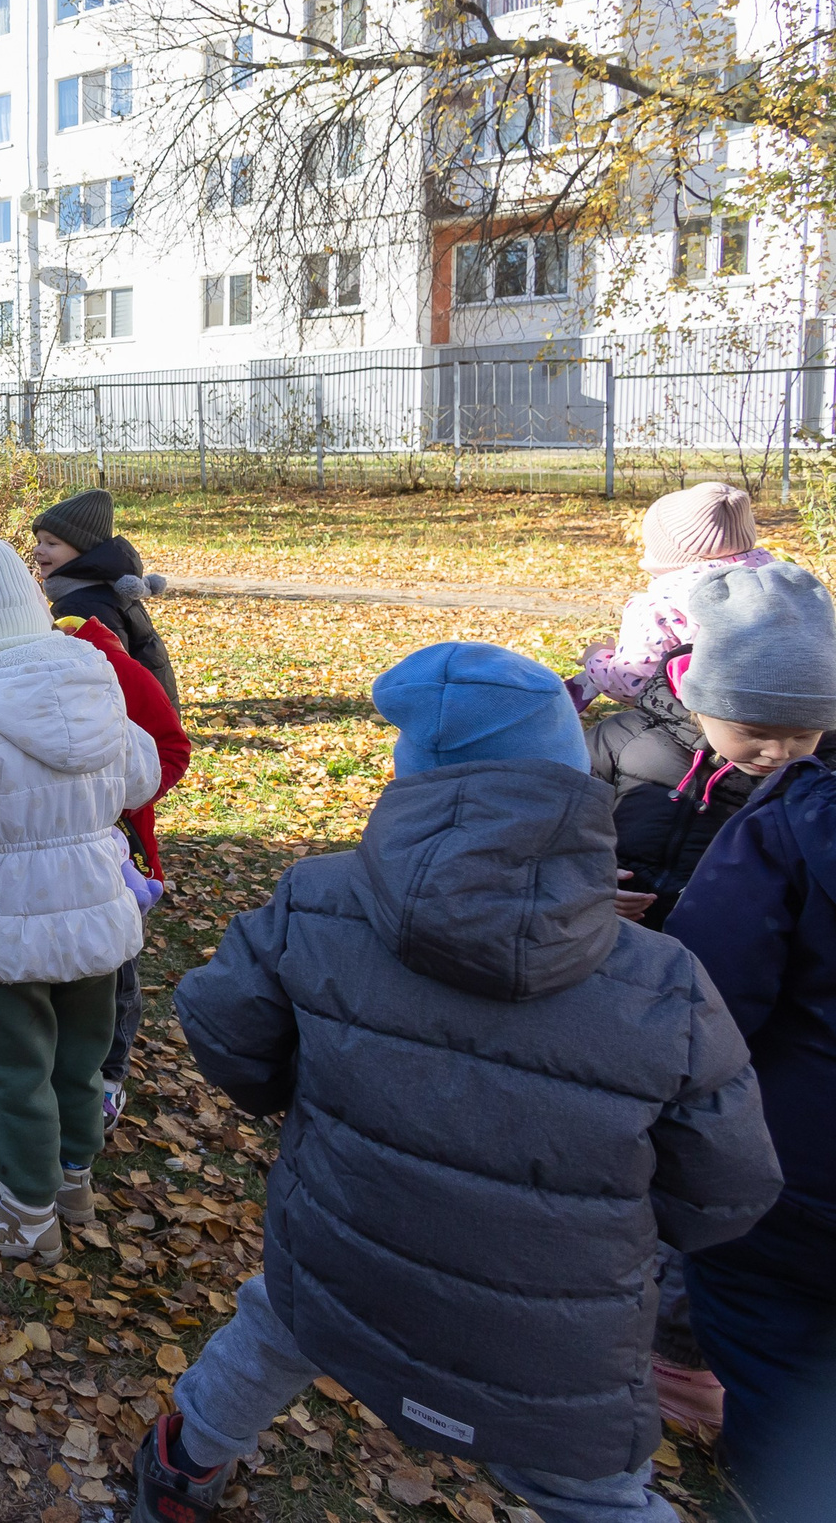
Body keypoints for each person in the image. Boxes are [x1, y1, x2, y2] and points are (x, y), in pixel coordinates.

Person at [137, 641, 782, 1523]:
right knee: (592, 1494)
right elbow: (727, 1190)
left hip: (342, 1248)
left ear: (413, 772)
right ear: (564, 769)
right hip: (555, 1333)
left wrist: (325, 1088)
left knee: (272, 1331)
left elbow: (223, 1026)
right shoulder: (663, 984)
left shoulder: (316, 902)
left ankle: (184, 1468)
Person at [0, 531, 159, 1260]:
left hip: (8, 935)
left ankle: (24, 1213)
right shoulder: (98, 679)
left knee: (16, 1071)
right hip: (99, 918)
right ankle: (72, 1178)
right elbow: (139, 780)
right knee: (80, 1060)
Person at [655, 565, 836, 1522]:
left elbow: (713, 994)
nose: (771, 753)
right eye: (751, 730)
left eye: (795, 734)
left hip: (787, 1170)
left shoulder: (782, 830)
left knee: (765, 1352)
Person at [592, 564, 836, 934]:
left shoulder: (822, 784)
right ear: (700, 706)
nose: (778, 753)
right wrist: (584, 880)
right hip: (612, 947)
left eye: (804, 736)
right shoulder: (622, 742)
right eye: (753, 732)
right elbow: (551, 826)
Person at [52, 613, 190, 1133]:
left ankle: (108, 1079)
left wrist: (120, 801)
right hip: (62, 853)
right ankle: (62, 1067)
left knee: (118, 972)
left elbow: (172, 747)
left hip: (119, 855)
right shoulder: (21, 669)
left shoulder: (115, 667)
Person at [577, 482, 774, 707]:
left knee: (603, 740)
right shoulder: (785, 583)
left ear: (664, 551)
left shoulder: (662, 604)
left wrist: (596, 660)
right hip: (803, 719)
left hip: (712, 723)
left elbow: (633, 683)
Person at [30, 489, 178, 708]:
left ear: (84, 551)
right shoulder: (106, 587)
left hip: (131, 718)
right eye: (39, 541)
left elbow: (103, 674)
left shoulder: (82, 604)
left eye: (51, 544)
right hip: (151, 710)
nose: (37, 550)